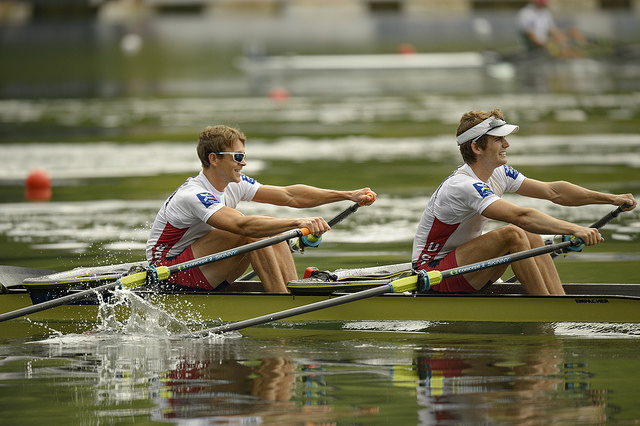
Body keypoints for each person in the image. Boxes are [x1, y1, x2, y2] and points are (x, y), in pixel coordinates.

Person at [411, 109, 636, 295]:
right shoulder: (461, 185)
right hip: (433, 274)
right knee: (513, 233)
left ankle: (557, 299)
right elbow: (521, 217)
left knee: (529, 234)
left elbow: (553, 191)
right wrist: (576, 229)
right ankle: (547, 310)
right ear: (476, 148)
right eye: (499, 139)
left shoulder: (498, 174)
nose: (507, 144)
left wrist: (610, 198)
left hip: (464, 266)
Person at [146, 125, 376, 293]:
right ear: (214, 159)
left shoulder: (234, 184)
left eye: (244, 156)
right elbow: (241, 225)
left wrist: (347, 195)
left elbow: (290, 195)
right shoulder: (193, 194)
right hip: (168, 273)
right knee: (252, 230)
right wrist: (298, 223)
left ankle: (292, 290)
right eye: (237, 156)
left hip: (200, 265)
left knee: (268, 224)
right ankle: (282, 302)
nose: (243, 163)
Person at [516, 0, 586, 58]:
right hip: (534, 49)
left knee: (574, 35)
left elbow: (554, 31)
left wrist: (568, 36)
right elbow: (534, 41)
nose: (546, 5)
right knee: (570, 54)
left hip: (546, 45)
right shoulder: (525, 15)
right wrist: (554, 44)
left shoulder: (545, 13)